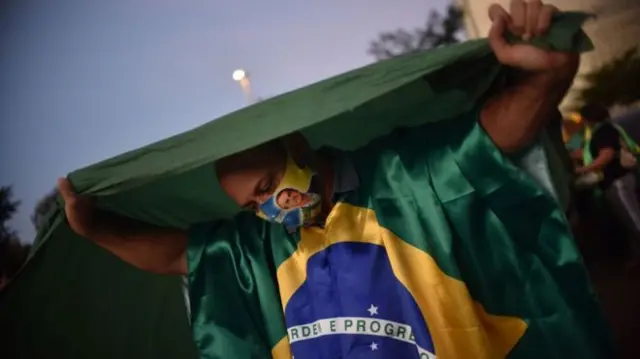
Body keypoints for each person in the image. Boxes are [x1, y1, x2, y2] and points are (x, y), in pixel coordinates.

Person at [57, 1, 613, 358]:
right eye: (254, 204)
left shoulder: (403, 174)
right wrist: (95, 229)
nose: (271, 206)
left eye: (269, 181)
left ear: (296, 146)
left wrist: (547, 77)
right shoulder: (260, 245)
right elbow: (177, 255)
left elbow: (493, 138)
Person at [575, 103, 640, 261]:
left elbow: (606, 155)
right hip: (621, 180)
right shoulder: (610, 129)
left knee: (634, 220)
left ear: (589, 118)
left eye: (583, 118)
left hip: (618, 181)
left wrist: (582, 170)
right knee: (630, 220)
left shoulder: (603, 132)